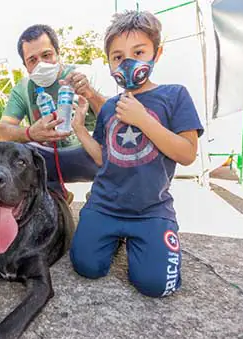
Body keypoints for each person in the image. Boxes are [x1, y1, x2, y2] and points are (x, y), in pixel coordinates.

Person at [69, 11, 204, 297]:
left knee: (157, 286)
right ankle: (115, 237)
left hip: (151, 210)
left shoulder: (175, 95)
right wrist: (80, 129)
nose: (127, 62)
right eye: (117, 57)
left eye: (139, 51)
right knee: (86, 266)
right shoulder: (108, 108)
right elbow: (102, 158)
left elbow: (188, 153)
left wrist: (143, 120)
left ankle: (139, 240)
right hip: (105, 205)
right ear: (109, 63)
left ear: (157, 53)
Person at [0, 24, 109, 202]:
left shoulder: (81, 76)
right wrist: (30, 133)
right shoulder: (23, 88)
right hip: (46, 158)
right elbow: (3, 131)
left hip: (87, 155)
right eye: (32, 60)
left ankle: (104, 193)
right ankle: (55, 194)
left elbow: (114, 115)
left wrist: (90, 93)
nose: (41, 63)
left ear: (58, 53)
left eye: (46, 55)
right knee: (18, 151)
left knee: (118, 145)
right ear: (26, 66)